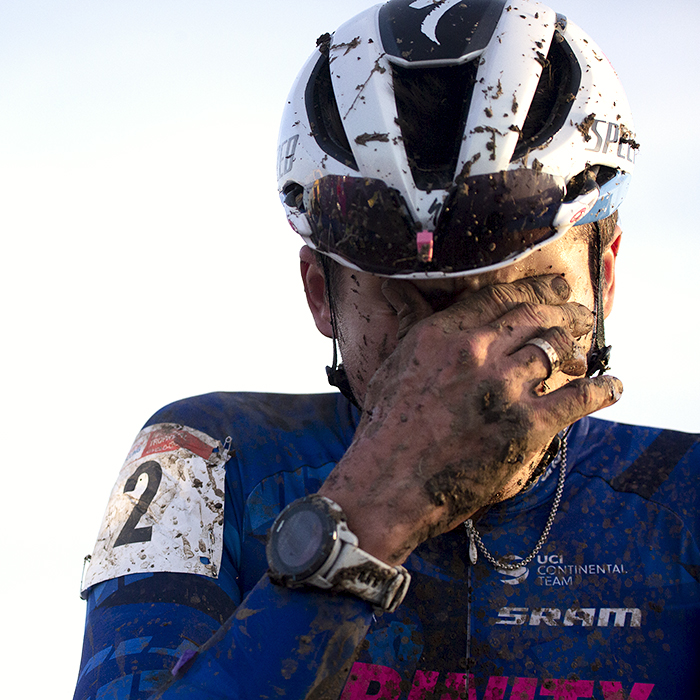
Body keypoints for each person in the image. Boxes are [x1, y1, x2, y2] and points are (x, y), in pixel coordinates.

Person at [73, 1, 699, 698]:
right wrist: (369, 518)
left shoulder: (685, 501)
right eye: (417, 306)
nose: (465, 357)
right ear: (320, 292)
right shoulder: (202, 462)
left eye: (515, 293)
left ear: (604, 276)